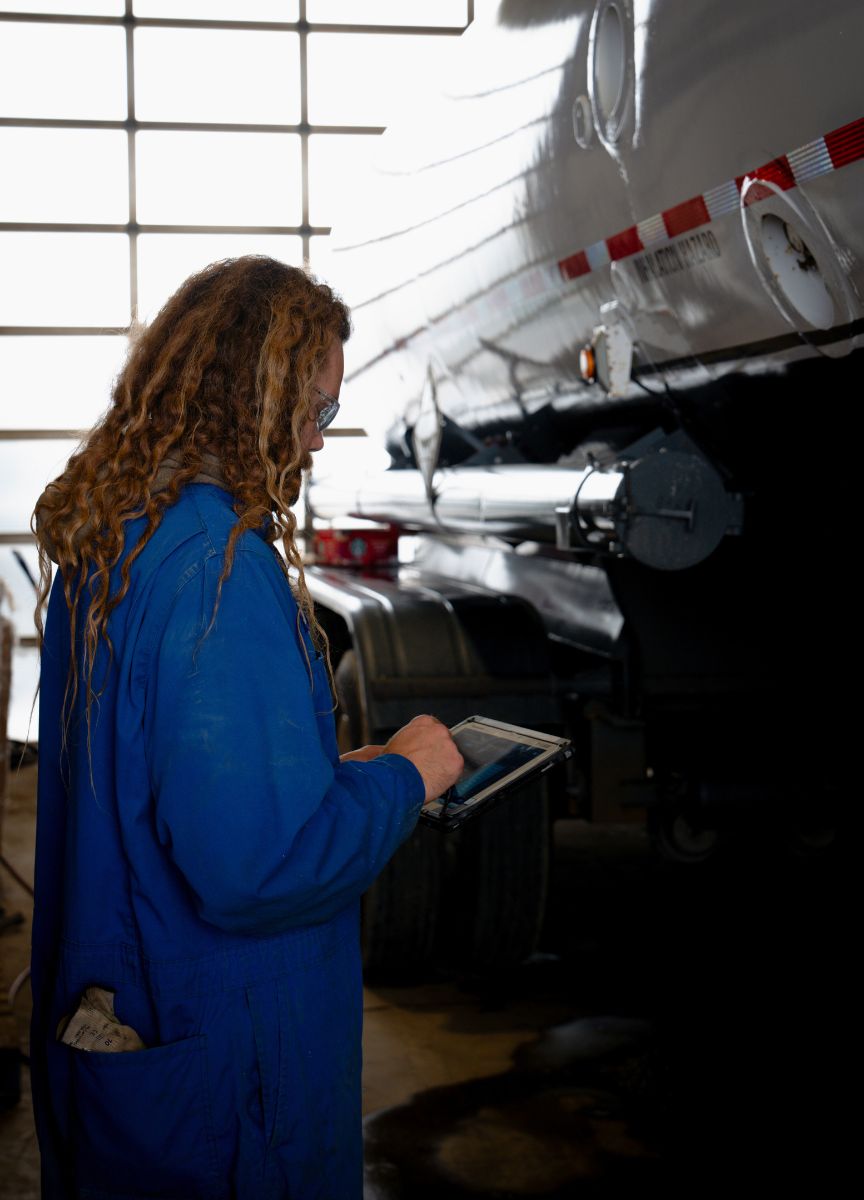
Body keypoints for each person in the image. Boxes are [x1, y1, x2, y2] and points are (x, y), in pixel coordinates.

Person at [29, 255, 464, 1199]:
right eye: (313, 411)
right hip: (229, 1066)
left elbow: (171, 782)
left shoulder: (118, 533)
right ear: (249, 399)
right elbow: (257, 869)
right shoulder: (217, 572)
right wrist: (404, 777)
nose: (316, 441)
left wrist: (324, 773)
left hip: (138, 1021)